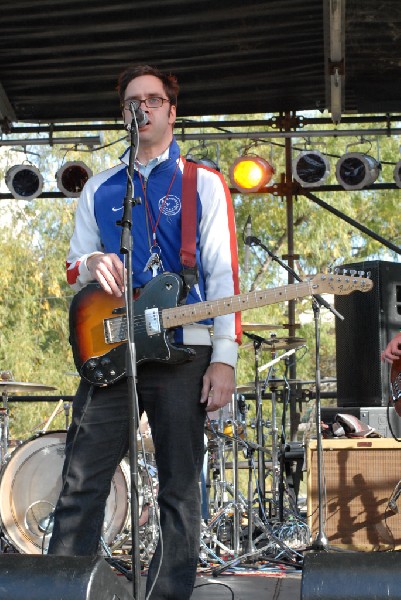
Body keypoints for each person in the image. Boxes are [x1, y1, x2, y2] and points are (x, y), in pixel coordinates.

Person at [47, 64, 241, 599]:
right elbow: (72, 266)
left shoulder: (202, 182)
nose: (144, 108)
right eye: (134, 100)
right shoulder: (102, 188)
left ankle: (165, 594)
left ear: (171, 111)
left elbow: (224, 274)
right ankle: (61, 590)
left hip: (185, 349)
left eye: (155, 99)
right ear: (124, 113)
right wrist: (91, 262)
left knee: (181, 488)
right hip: (112, 345)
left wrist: (224, 357)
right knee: (82, 481)